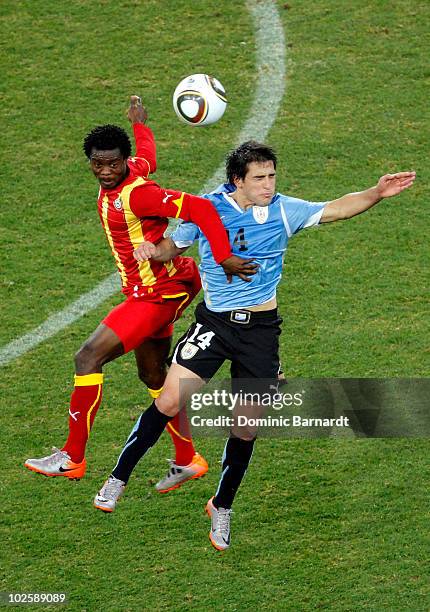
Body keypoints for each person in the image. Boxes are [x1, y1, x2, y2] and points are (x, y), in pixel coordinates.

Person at [93, 138, 415, 550]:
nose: (268, 184)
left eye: (271, 176)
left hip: (261, 332)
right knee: (170, 401)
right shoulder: (208, 208)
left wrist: (376, 192)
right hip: (215, 325)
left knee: (245, 427)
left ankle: (221, 506)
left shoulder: (282, 209)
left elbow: (334, 207)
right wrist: (150, 250)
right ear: (237, 181)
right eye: (259, 178)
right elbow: (172, 247)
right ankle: (118, 478)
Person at [24, 97, 255, 481]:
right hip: (164, 286)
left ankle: (72, 457)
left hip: (158, 292)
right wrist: (140, 125)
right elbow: (148, 155)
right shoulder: (129, 170)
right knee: (153, 376)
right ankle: (188, 460)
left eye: (114, 163)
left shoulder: (137, 193)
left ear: (122, 162)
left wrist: (224, 255)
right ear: (91, 162)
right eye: (98, 164)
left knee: (87, 358)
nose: (106, 170)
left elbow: (201, 209)